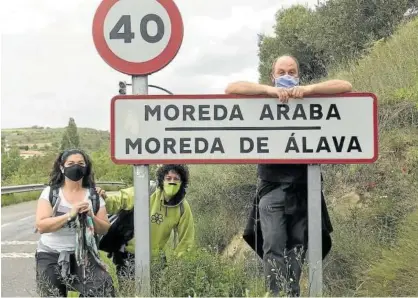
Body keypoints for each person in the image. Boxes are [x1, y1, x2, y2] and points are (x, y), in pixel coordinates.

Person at [225, 55, 352, 296]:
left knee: (297, 248)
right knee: (272, 245)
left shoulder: (309, 96)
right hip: (271, 189)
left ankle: (291, 292)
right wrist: (270, 92)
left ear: (299, 74)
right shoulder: (263, 97)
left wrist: (308, 90)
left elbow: (346, 86)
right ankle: (276, 293)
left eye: (292, 72)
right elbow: (232, 88)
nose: (287, 75)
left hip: (305, 189)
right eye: (281, 71)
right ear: (272, 75)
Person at [35, 149, 115, 297]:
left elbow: (104, 229)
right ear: (62, 167)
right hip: (50, 254)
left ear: (86, 168)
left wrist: (91, 216)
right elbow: (41, 226)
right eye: (70, 163)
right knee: (52, 294)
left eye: (80, 163)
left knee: (104, 289)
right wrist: (69, 215)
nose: (76, 167)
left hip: (84, 255)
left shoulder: (93, 196)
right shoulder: (50, 193)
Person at [97, 164, 195, 279]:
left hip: (156, 259)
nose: (172, 182)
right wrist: (104, 198)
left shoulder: (182, 206)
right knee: (129, 292)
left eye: (176, 179)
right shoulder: (146, 191)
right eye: (168, 178)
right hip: (129, 254)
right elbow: (120, 200)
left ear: (182, 182)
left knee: (156, 293)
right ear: (161, 180)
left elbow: (186, 239)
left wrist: (177, 265)